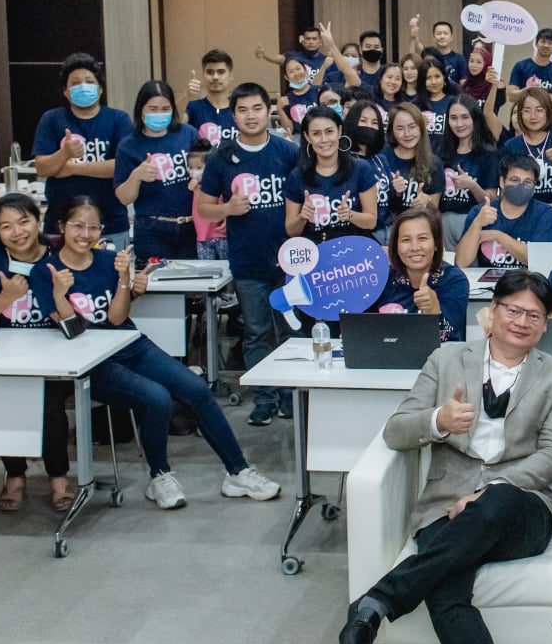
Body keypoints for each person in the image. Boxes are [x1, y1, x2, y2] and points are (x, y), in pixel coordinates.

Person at [337, 272, 552, 644]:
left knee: (493, 502)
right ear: (492, 312)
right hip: (446, 508)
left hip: (521, 508)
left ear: (545, 325)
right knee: (447, 596)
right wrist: (439, 422)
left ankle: (381, 599)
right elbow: (397, 430)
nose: (522, 321)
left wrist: (488, 489)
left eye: (534, 315)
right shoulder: (447, 359)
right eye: (513, 309)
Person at [38, 197, 280, 509]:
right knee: (157, 398)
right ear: (61, 226)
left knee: (196, 389)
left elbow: (116, 319)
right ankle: (160, 475)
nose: (85, 234)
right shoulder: (47, 271)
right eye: (77, 226)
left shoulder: (106, 261)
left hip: (127, 344)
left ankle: (238, 472)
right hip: (90, 361)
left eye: (93, 227)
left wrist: (125, 282)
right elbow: (72, 329)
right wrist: (60, 294)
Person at [0, 193, 70, 512]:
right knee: (5, 400)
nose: (17, 232)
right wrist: (4, 299)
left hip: (56, 352)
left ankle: (58, 478)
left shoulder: (60, 253)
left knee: (48, 403)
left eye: (24, 221)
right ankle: (15, 474)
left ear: (37, 219)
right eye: (6, 226)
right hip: (5, 354)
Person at [194, 82, 301, 427]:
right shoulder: (221, 158)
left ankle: (289, 394)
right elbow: (204, 209)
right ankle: (264, 397)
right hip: (248, 262)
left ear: (268, 110)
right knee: (256, 333)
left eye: (257, 108)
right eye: (243, 110)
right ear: (233, 114)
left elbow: (304, 198)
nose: (251, 116)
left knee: (289, 331)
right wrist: (228, 208)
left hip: (288, 262)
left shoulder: (288, 152)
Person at [32, 52, 135, 247]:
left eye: (89, 81)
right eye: (76, 83)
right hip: (60, 226)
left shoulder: (118, 119)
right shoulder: (52, 119)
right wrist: (65, 154)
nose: (83, 87)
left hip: (110, 224)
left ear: (100, 89)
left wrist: (71, 167)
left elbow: (121, 167)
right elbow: (43, 168)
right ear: (65, 91)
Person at [113, 80, 198, 262]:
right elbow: (124, 197)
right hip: (152, 230)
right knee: (155, 285)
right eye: (152, 109)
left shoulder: (188, 133)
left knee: (194, 287)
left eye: (165, 108)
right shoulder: (128, 145)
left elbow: (209, 171)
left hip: (192, 227)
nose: (159, 114)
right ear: (141, 110)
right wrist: (136, 176)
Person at [285, 106, 379, 243]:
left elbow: (371, 221)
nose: (324, 139)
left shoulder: (361, 169)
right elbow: (291, 231)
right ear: (307, 137)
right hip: (316, 254)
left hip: (354, 254)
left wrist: (350, 215)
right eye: (316, 133)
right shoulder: (297, 176)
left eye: (329, 131)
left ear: (339, 131)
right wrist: (302, 217)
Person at [377, 206, 470, 343]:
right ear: (396, 246)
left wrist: (434, 311)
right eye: (406, 240)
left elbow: (450, 336)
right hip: (386, 360)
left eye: (422, 238)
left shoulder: (454, 280)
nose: (415, 247)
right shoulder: (383, 279)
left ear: (436, 244)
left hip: (438, 360)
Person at [454, 154, 552, 267]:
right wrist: (477, 224)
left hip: (528, 280)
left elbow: (539, 258)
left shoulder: (544, 213)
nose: (521, 186)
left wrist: (497, 235)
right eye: (515, 180)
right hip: (486, 281)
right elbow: (461, 262)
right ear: (502, 182)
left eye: (528, 182)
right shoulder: (480, 212)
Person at [372, 102, 443, 240]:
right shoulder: (381, 157)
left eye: (412, 127)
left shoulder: (434, 163)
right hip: (383, 229)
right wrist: (393, 191)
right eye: (400, 128)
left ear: (421, 128)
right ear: (391, 131)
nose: (407, 134)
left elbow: (434, 209)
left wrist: (426, 201)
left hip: (417, 229)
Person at [438, 95, 502, 243]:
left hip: (475, 221)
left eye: (465, 117)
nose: (459, 124)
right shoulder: (441, 153)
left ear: (475, 118)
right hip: (443, 223)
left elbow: (491, 200)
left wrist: (472, 185)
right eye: (453, 118)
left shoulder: (489, 155)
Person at [501, 89, 552, 205]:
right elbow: (505, 189)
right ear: (520, 114)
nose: (533, 116)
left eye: (539, 110)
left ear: (548, 112)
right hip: (521, 208)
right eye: (527, 110)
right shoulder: (510, 146)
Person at [185, 48, 239, 146]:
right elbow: (175, 125)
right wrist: (186, 96)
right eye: (210, 72)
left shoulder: (240, 108)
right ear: (203, 75)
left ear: (231, 76)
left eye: (221, 72)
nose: (215, 77)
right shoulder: (193, 107)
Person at [507, 26, 552, 105]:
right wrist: (528, 90)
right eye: (543, 41)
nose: (546, 45)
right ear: (536, 43)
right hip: (524, 114)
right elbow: (511, 97)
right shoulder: (521, 66)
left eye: (550, 43)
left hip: (548, 116)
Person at [276, 55, 322, 131]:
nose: (296, 73)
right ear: (286, 77)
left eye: (298, 69)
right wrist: (279, 109)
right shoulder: (286, 100)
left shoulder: (319, 91)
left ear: (306, 70)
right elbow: (289, 130)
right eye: (291, 72)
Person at [416, 57, 456, 138]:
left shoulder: (454, 102)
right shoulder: (415, 104)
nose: (433, 82)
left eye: (437, 76)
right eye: (428, 78)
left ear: (444, 77)